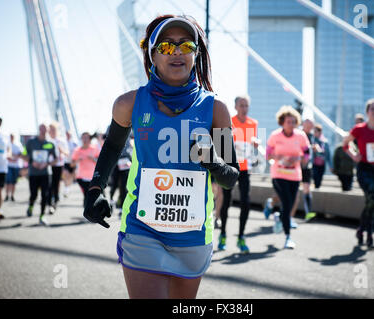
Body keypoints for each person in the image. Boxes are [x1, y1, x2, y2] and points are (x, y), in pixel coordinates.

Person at [82, 15, 239, 299]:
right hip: (143, 230)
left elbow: (230, 179)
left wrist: (213, 161)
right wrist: (95, 189)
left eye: (186, 45)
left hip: (193, 234)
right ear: (152, 54)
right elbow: (112, 148)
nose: (177, 52)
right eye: (166, 47)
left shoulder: (216, 110)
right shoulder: (128, 104)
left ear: (196, 54)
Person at [342, 98, 374, 249]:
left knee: (373, 202)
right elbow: (345, 144)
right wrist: (354, 155)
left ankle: (361, 230)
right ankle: (370, 235)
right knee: (371, 196)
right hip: (364, 168)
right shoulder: (359, 129)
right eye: (372, 109)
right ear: (367, 112)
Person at [218, 95, 258, 254]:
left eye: (246, 105)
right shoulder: (229, 121)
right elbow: (222, 143)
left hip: (245, 169)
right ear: (235, 107)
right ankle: (223, 234)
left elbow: (253, 148)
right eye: (241, 105)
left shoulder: (253, 123)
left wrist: (255, 146)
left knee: (246, 202)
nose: (244, 108)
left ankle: (241, 236)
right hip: (230, 167)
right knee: (226, 202)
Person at [266, 106, 310, 249]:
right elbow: (268, 154)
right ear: (282, 122)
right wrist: (277, 156)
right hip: (278, 174)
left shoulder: (301, 136)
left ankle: (279, 217)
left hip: (294, 175)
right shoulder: (275, 136)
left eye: (293, 122)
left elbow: (307, 152)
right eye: (288, 122)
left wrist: (301, 158)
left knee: (290, 204)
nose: (291, 124)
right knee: (286, 202)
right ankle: (288, 237)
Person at [21, 124, 57, 225]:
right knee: (34, 194)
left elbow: (56, 159)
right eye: (41, 128)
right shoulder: (30, 142)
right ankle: (31, 206)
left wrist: (47, 163)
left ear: (48, 130)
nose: (43, 130)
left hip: (46, 173)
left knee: (44, 195)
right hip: (33, 173)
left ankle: (42, 215)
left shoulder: (50, 144)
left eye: (45, 129)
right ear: (39, 129)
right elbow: (23, 155)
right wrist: (32, 162)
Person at [71, 132, 100, 207]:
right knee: (86, 194)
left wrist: (93, 159)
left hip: (93, 177)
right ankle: (87, 212)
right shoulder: (77, 150)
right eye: (83, 138)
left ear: (90, 139)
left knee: (92, 195)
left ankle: (91, 212)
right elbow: (72, 164)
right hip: (81, 177)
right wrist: (78, 160)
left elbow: (100, 162)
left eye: (86, 137)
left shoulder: (94, 149)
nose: (85, 139)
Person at [48, 122, 69, 212]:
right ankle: (50, 201)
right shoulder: (47, 141)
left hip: (58, 165)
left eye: (53, 129)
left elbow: (67, 153)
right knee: (49, 184)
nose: (52, 131)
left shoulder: (61, 141)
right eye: (50, 130)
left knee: (56, 183)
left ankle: (55, 201)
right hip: (48, 165)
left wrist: (62, 150)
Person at [311, 124, 332, 189]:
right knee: (315, 177)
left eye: (316, 131)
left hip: (322, 164)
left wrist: (331, 166)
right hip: (314, 163)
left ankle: (317, 189)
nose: (314, 133)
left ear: (320, 132)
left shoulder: (325, 142)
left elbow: (328, 154)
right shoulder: (312, 140)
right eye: (314, 131)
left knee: (319, 179)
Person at [5, 133, 24, 201]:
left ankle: (12, 195)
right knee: (8, 182)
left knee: (13, 182)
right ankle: (7, 195)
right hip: (9, 165)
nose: (11, 138)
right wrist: (11, 157)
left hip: (16, 166)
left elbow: (20, 154)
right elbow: (6, 154)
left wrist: (14, 157)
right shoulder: (7, 144)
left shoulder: (18, 145)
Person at [62, 130, 78, 198]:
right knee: (66, 174)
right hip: (66, 162)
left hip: (73, 162)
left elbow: (77, 152)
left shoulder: (74, 143)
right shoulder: (63, 142)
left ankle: (68, 188)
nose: (67, 136)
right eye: (66, 134)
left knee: (71, 176)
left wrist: (75, 161)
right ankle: (66, 188)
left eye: (69, 134)